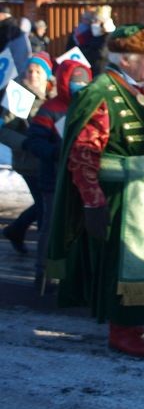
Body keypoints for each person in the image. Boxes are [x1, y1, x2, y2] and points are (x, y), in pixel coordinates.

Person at [48, 24, 144, 358]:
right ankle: (121, 329)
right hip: (122, 198)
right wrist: (93, 203)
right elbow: (83, 155)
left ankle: (135, 323)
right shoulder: (101, 92)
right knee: (124, 262)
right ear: (124, 59)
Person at [24, 60, 91, 290]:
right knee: (52, 225)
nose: (79, 86)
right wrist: (55, 152)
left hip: (83, 178)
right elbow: (34, 142)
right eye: (75, 81)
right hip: (54, 178)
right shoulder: (50, 109)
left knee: (80, 227)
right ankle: (44, 273)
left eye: (83, 82)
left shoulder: (91, 107)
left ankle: (76, 273)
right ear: (64, 81)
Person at [0, 52, 53, 255]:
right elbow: (5, 131)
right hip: (29, 162)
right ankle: (44, 256)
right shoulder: (20, 95)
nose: (33, 75)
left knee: (46, 203)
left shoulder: (54, 93)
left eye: (38, 71)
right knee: (44, 206)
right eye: (30, 70)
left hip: (50, 159)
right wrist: (26, 143)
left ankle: (16, 230)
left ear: (47, 75)